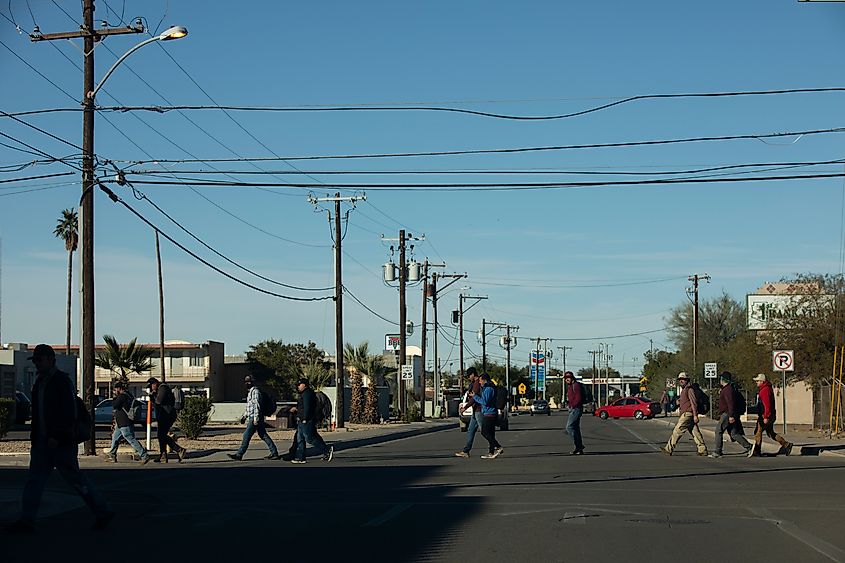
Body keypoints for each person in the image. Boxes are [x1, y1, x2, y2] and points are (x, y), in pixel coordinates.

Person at [5, 345, 113, 534]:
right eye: (35, 360)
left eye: (40, 359)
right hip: (42, 442)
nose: (37, 364)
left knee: (76, 479)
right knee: (35, 481)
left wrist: (57, 436)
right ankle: (27, 519)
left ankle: (102, 510)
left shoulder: (61, 381)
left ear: (50, 359)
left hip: (60, 443)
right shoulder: (40, 382)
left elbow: (67, 412)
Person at [228, 375, 280, 461]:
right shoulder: (250, 392)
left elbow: (257, 406)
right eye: (246, 381)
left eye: (249, 381)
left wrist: (256, 418)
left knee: (246, 435)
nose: (247, 383)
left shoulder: (255, 392)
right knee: (263, 435)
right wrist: (244, 416)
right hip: (254, 416)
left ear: (252, 382)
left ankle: (239, 454)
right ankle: (274, 452)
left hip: (255, 417)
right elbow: (250, 407)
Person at [661, 372, 708, 456]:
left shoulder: (689, 390)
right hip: (687, 414)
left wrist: (695, 415)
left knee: (677, 431)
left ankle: (668, 449)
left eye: (683, 379)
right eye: (680, 380)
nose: (681, 381)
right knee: (695, 432)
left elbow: (693, 403)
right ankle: (702, 449)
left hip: (688, 414)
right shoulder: (684, 390)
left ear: (687, 380)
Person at [708, 372, 752, 458]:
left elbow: (730, 403)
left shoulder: (728, 390)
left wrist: (731, 415)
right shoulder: (727, 389)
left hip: (727, 414)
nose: (720, 380)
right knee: (734, 434)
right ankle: (749, 447)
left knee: (718, 431)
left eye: (721, 378)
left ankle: (718, 451)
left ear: (723, 379)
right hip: (730, 413)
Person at [748, 373, 793, 457]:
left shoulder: (765, 390)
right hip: (769, 414)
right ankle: (786, 444)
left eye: (757, 381)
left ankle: (757, 451)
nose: (756, 382)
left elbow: (767, 405)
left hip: (765, 415)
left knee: (758, 432)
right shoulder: (766, 389)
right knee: (770, 432)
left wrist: (766, 416)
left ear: (762, 381)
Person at [105, 381, 150, 464]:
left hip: (124, 421)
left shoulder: (122, 396)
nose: (115, 391)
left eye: (115, 389)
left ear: (119, 388)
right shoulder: (129, 395)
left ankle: (144, 455)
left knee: (130, 438)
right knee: (115, 438)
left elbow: (115, 405)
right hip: (123, 422)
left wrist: (115, 397)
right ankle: (112, 455)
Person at [291, 378, 333, 464]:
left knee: (309, 438)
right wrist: (297, 411)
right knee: (300, 439)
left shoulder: (307, 394)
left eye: (300, 385)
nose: (298, 386)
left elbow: (307, 407)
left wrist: (305, 418)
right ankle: (300, 457)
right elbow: (303, 407)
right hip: (301, 419)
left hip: (306, 420)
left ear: (304, 385)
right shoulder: (304, 394)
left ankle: (326, 450)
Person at [146, 377, 187, 463]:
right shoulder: (160, 389)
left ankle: (178, 450)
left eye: (151, 386)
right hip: (164, 415)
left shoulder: (163, 388)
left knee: (162, 435)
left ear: (155, 384)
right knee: (161, 435)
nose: (151, 388)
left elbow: (158, 401)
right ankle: (163, 455)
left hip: (167, 415)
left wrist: (153, 394)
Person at [454, 367, 483, 458]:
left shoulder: (477, 384)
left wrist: (465, 407)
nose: (468, 378)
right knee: (470, 430)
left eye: (469, 376)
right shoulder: (473, 384)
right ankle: (466, 451)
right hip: (475, 411)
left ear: (473, 374)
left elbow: (474, 398)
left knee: (485, 431)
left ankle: (496, 447)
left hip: (479, 410)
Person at [473, 372, 504, 459]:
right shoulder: (488, 388)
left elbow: (484, 402)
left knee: (484, 432)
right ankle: (491, 452)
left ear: (484, 380)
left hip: (489, 414)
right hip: (489, 413)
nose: (479, 382)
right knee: (491, 433)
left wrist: (475, 397)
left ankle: (498, 447)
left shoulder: (489, 389)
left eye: (480, 380)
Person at [563, 371, 585, 455]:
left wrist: (572, 405)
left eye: (567, 378)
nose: (566, 380)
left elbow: (578, 398)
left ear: (572, 378)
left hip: (576, 409)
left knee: (569, 427)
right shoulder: (570, 386)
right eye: (565, 378)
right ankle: (579, 448)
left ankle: (579, 445)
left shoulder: (576, 386)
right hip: (573, 409)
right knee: (576, 428)